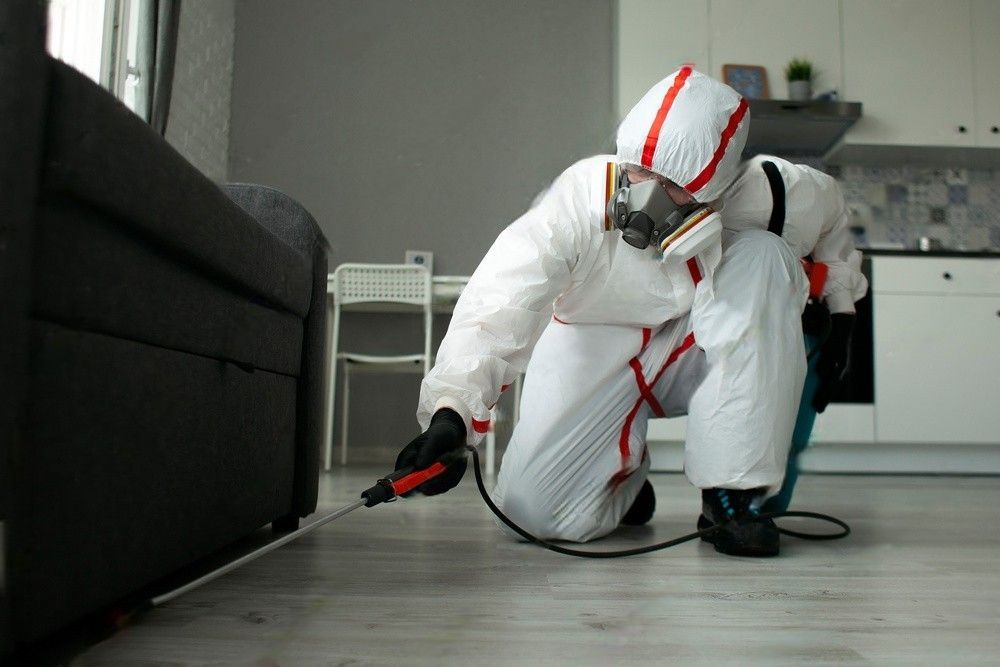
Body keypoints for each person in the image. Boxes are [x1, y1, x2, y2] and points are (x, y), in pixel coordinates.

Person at [396, 67, 810, 557]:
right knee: (531, 515)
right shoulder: (578, 199)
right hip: (591, 344)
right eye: (640, 171)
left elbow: (831, 240)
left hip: (694, 349)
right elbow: (502, 297)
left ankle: (731, 495)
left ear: (716, 190)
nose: (649, 196)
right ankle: (624, 480)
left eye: (675, 185)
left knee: (766, 257)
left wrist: (840, 305)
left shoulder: (760, 199)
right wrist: (452, 413)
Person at [713, 154, 869, 513]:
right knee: (738, 418)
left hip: (802, 325)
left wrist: (842, 328)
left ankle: (761, 509)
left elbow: (836, 260)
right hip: (735, 322)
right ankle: (728, 505)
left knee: (791, 436)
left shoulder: (818, 195)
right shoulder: (720, 197)